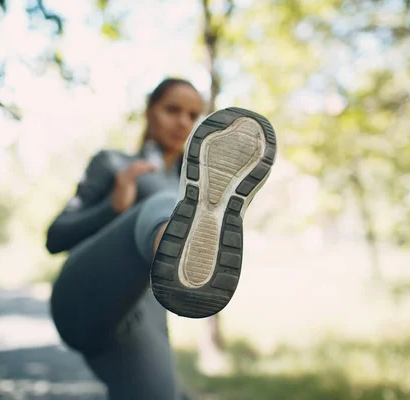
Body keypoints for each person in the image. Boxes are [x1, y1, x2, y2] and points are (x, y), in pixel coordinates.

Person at [46, 77, 277, 399]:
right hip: (84, 298)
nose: (182, 121)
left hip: (145, 315)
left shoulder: (192, 177)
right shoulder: (114, 164)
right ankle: (173, 237)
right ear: (149, 111)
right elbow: (55, 237)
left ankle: (180, 249)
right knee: (162, 199)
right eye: (172, 110)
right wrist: (113, 207)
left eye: (192, 115)